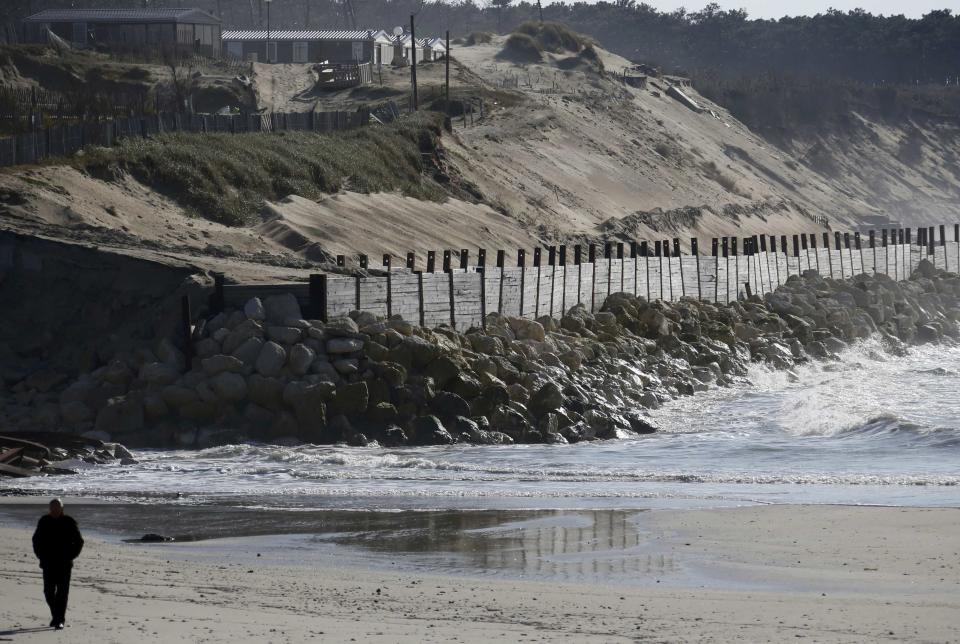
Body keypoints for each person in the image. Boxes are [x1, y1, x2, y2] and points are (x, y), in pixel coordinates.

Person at [32, 498, 83, 630]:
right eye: (52, 507)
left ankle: (60, 620)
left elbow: (79, 541)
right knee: (48, 592)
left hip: (64, 564)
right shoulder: (44, 521)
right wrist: (40, 556)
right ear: (49, 508)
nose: (54, 509)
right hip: (48, 563)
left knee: (62, 593)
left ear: (62, 508)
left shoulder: (69, 522)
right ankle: (56, 616)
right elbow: (36, 540)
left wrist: (72, 555)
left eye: (57, 507)